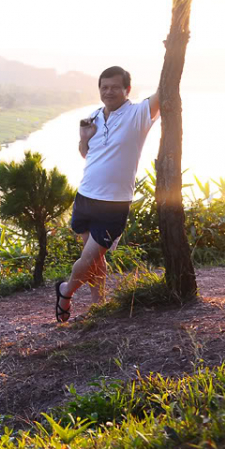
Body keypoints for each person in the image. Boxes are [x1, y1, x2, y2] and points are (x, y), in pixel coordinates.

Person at [55, 66, 160, 322]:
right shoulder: (93, 116)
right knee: (95, 260)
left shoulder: (138, 114)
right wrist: (84, 138)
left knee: (88, 258)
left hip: (114, 204)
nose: (108, 91)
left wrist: (174, 48)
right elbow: (87, 153)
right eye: (104, 87)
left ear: (127, 89)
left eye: (114, 87)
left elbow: (164, 90)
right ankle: (96, 305)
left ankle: (65, 291)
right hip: (85, 197)